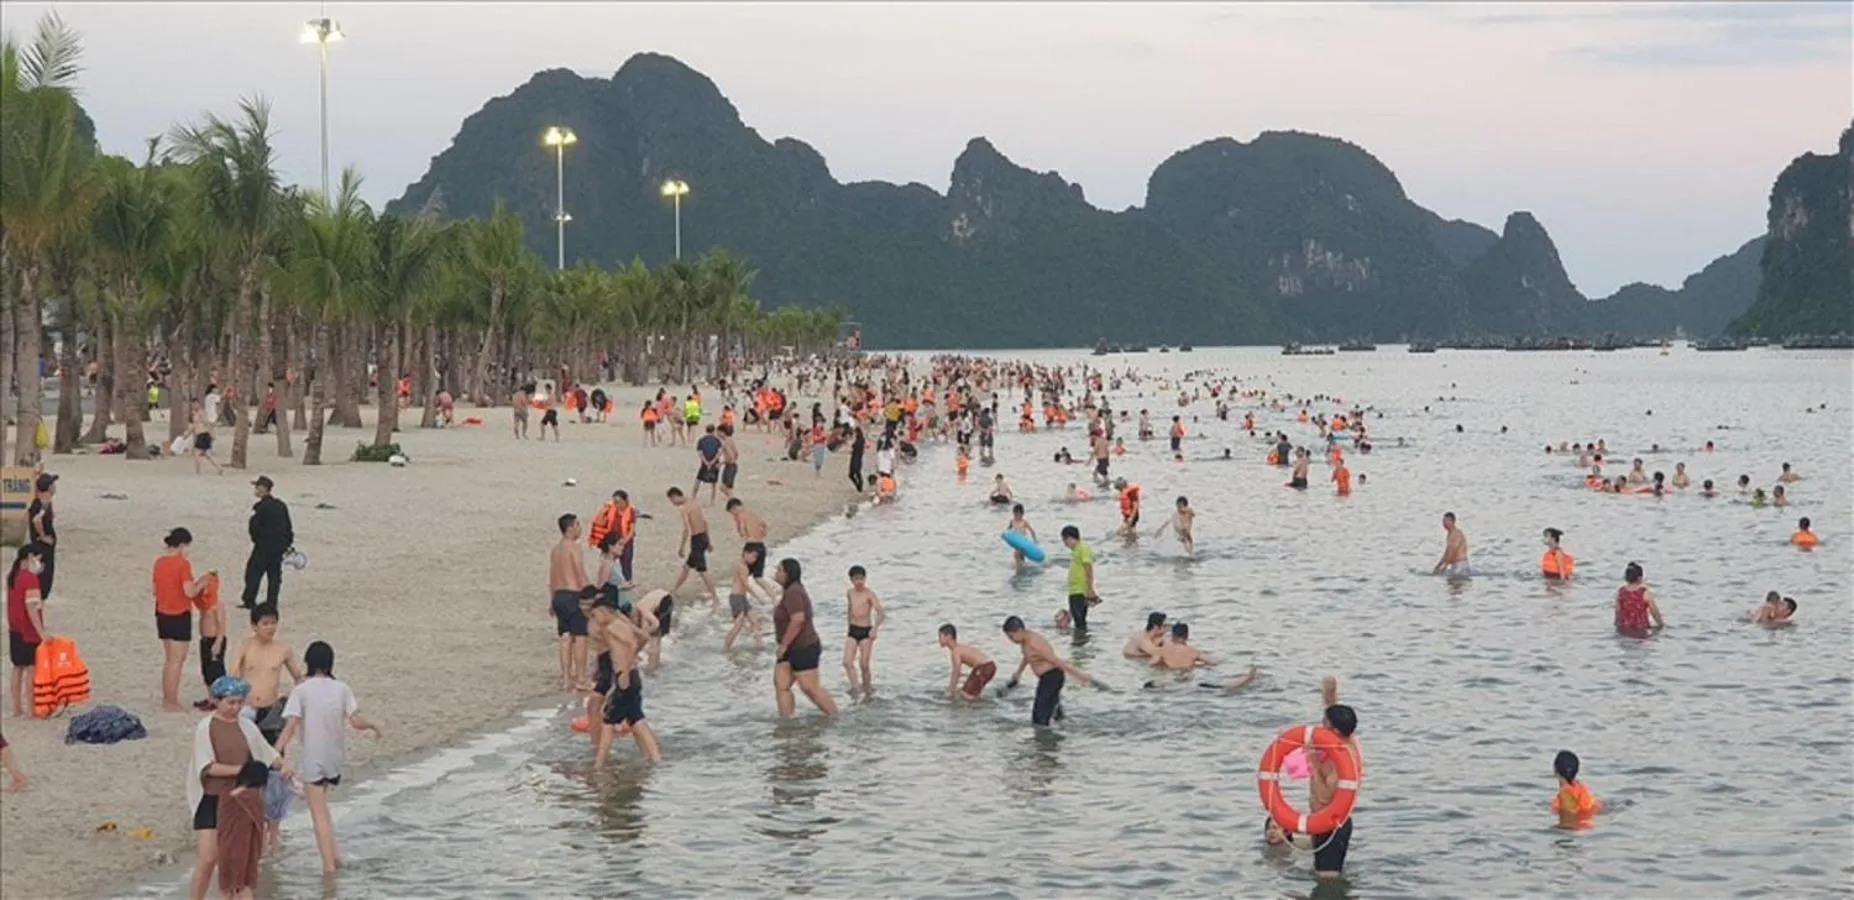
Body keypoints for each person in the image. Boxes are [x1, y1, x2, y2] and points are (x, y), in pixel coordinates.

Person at [274, 640, 380, 874]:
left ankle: (328, 867)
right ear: (330, 663)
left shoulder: (301, 690)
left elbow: (291, 725)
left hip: (313, 758)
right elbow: (356, 721)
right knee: (324, 808)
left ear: (308, 663)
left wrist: (275, 752)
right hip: (334, 758)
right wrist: (373, 725)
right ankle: (336, 855)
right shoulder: (342, 688)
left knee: (318, 814)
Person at [188, 676, 285, 900]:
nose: (236, 707)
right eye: (231, 702)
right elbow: (207, 767)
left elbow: (266, 753)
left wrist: (283, 765)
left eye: (240, 702)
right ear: (216, 700)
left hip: (239, 800)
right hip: (212, 797)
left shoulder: (247, 725)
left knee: (234, 860)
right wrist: (243, 770)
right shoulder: (206, 727)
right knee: (207, 857)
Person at [593, 591, 663, 766]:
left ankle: (599, 764)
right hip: (633, 675)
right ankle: (656, 759)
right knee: (636, 718)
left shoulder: (613, 627)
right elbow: (643, 637)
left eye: (595, 615)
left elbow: (631, 645)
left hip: (625, 675)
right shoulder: (622, 623)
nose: (594, 620)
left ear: (604, 611)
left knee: (608, 720)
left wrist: (624, 670)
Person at [155, 528, 215, 712]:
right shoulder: (182, 565)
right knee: (176, 662)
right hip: (179, 614)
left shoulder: (159, 562)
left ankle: (167, 698)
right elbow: (189, 592)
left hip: (162, 612)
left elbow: (154, 589)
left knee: (169, 660)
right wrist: (203, 582)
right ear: (181, 546)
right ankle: (171, 702)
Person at [1309, 676, 1362, 881]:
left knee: (1327, 880)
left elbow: (1325, 797)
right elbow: (1337, 720)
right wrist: (1330, 698)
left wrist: (1313, 764)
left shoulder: (1343, 760)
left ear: (1335, 731)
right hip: (1321, 822)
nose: (1320, 727)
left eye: (1324, 724)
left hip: (1332, 825)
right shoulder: (1337, 741)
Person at [229, 603, 302, 747]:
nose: (270, 628)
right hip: (247, 706)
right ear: (254, 626)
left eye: (273, 623)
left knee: (272, 749)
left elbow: (298, 677)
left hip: (271, 708)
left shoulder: (283, 650)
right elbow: (233, 675)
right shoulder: (244, 646)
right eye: (265, 623)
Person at [772, 558, 837, 718]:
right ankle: (787, 723)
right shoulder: (789, 592)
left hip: (803, 646)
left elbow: (798, 619)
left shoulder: (794, 592)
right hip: (789, 648)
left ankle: (835, 716)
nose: (776, 573)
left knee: (809, 687)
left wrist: (784, 645)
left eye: (779, 570)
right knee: (782, 685)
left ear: (788, 573)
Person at [1002, 615, 1093, 726]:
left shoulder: (1034, 643)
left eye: (1011, 637)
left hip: (1052, 677)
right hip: (1047, 678)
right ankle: (1060, 730)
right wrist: (1018, 672)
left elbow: (1056, 661)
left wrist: (1079, 675)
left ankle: (1044, 739)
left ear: (1020, 630)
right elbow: (1027, 656)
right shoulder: (1025, 641)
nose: (1011, 641)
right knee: (1054, 712)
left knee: (1039, 717)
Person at [549, 514, 593, 692]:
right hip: (573, 594)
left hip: (559, 595)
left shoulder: (556, 550)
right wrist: (591, 595)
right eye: (577, 525)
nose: (580, 528)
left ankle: (567, 678)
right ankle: (581, 678)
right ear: (570, 528)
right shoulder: (573, 547)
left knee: (565, 638)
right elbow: (579, 572)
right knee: (581, 637)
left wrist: (552, 600)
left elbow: (551, 577)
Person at [216, 760, 270, 900]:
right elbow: (260, 827)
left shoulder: (225, 795)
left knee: (225, 888)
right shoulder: (255, 798)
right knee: (245, 888)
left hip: (226, 848)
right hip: (247, 852)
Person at [6, 544, 47, 718]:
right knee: (31, 669)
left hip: (14, 628)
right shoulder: (30, 579)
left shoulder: (13, 576)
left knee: (17, 668)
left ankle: (17, 708)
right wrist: (41, 632)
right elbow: (31, 608)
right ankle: (31, 709)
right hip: (28, 631)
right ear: (30, 558)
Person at [241, 476, 293, 609]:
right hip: (278, 547)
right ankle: (272, 601)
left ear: (264, 488)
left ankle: (249, 600)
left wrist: (257, 540)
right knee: (274, 575)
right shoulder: (281, 505)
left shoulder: (262, 507)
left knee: (253, 572)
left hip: (263, 546)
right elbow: (288, 526)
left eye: (257, 487)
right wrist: (286, 543)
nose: (256, 490)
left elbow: (255, 527)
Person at [668, 487, 721, 607]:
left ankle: (715, 598)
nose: (673, 504)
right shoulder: (694, 503)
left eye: (672, 501)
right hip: (703, 537)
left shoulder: (685, 509)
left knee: (702, 571)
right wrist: (708, 541)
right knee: (687, 566)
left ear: (675, 497)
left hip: (696, 539)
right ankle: (674, 590)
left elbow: (687, 529)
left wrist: (681, 547)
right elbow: (704, 522)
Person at [842, 565, 887, 698]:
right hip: (853, 630)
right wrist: (848, 626)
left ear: (865, 578)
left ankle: (867, 690)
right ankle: (855, 687)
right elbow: (850, 609)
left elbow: (880, 612)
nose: (859, 582)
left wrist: (875, 629)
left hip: (866, 631)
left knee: (864, 665)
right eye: (856, 579)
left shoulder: (869, 594)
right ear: (851, 580)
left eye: (862, 578)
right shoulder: (850, 593)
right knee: (847, 662)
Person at [724, 544, 770, 651]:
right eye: (753, 556)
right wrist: (757, 595)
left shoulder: (742, 565)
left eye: (756, 558)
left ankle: (759, 645)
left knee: (755, 621)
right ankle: (726, 646)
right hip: (737, 597)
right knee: (738, 625)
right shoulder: (742, 567)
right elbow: (745, 584)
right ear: (745, 553)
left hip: (742, 598)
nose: (754, 560)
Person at [938, 624, 996, 701]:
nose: (938, 640)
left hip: (984, 667)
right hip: (989, 666)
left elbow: (956, 671)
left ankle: (974, 710)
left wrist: (950, 690)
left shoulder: (956, 652)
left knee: (965, 695)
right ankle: (980, 708)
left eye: (940, 636)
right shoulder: (960, 647)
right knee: (966, 692)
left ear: (948, 636)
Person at [1551, 750, 1603, 829]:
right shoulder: (1579, 786)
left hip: (1581, 827)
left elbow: (1571, 817)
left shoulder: (1565, 794)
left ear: (1555, 770)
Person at [1614, 562, 1666, 638]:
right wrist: (1661, 624)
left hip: (1624, 630)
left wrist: (1617, 626)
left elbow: (1618, 612)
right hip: (1641, 630)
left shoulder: (1621, 592)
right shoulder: (1644, 593)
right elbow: (1654, 612)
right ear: (1639, 578)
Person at [26, 473, 55, 598]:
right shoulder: (41, 504)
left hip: (45, 547)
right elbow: (36, 520)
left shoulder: (45, 502)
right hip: (42, 547)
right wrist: (43, 536)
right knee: (43, 581)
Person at [190, 400, 223, 475]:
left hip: (204, 434)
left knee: (197, 453)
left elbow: (207, 423)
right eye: (193, 404)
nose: (195, 405)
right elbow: (194, 426)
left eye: (196, 404)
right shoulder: (194, 414)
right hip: (199, 435)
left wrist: (212, 434)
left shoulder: (202, 413)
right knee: (207, 454)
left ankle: (198, 472)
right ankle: (219, 468)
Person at [1432, 511, 1469, 577]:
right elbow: (1447, 552)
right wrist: (1439, 564)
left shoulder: (1455, 534)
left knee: (1455, 584)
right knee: (1451, 584)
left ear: (1452, 521)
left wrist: (1445, 566)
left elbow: (1453, 551)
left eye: (1446, 521)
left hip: (1460, 564)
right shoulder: (1450, 534)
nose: (1444, 523)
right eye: (1443, 521)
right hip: (1455, 564)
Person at [694, 424, 724, 504]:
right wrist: (713, 461)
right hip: (714, 464)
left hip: (704, 464)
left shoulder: (701, 440)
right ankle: (712, 501)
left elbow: (700, 453)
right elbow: (719, 452)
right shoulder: (717, 440)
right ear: (714, 431)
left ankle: (693, 497)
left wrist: (706, 462)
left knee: (698, 480)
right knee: (714, 483)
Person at [718, 423, 742, 500]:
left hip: (729, 466)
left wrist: (721, 463)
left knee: (723, 487)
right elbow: (736, 454)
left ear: (722, 432)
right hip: (734, 465)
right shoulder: (730, 440)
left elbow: (730, 456)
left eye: (718, 432)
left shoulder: (725, 443)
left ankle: (732, 499)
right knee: (729, 487)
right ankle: (730, 499)